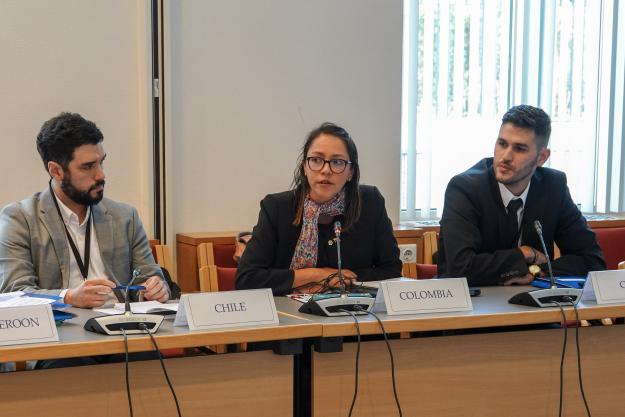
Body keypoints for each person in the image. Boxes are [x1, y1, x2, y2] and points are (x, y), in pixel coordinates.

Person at [0, 112, 170, 307]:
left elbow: (148, 280)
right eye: (88, 166)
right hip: (61, 330)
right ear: (56, 171)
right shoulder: (19, 219)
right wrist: (68, 297)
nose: (101, 175)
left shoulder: (125, 217)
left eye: (101, 162)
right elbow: (15, 294)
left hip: (123, 327)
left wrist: (154, 290)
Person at [437, 105, 606, 286]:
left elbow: (592, 261)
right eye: (502, 144)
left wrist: (537, 271)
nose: (505, 157)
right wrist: (524, 254)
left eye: (519, 148)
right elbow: (461, 268)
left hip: (533, 305)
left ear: (542, 157)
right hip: (474, 304)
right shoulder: (465, 189)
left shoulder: (553, 187)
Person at [235, 122, 402, 295]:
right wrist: (317, 275)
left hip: (355, 311)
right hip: (290, 315)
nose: (326, 170)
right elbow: (248, 279)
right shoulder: (276, 207)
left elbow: (391, 270)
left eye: (337, 162)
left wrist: (337, 282)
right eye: (316, 160)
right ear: (304, 167)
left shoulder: (370, 202)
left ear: (351, 171)